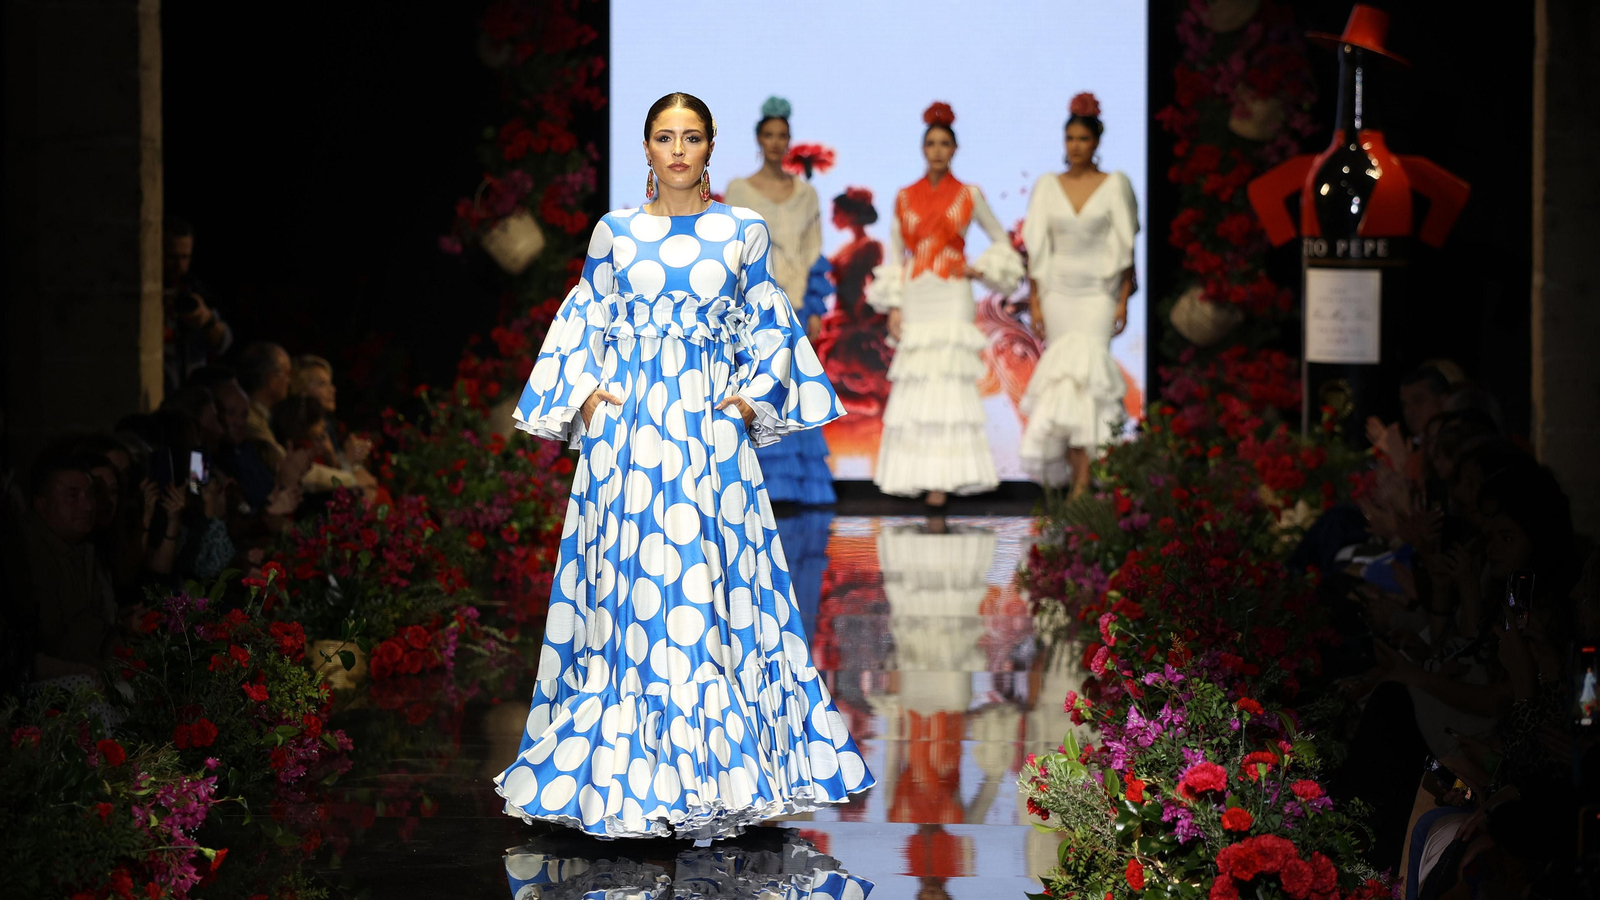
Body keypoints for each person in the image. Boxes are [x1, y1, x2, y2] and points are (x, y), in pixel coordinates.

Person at [494, 92, 873, 841]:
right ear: (644, 148)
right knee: (630, 604)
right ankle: (626, 777)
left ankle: (715, 776)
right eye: (663, 137)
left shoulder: (741, 231)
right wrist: (590, 406)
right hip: (628, 444)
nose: (676, 150)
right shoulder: (616, 234)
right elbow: (583, 322)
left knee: (712, 601)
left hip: (708, 441)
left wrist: (741, 409)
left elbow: (771, 330)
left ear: (709, 147)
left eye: (690, 137)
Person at [868, 102, 1022, 509]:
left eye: (944, 144)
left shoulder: (969, 194)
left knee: (948, 382)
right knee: (920, 383)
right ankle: (919, 475)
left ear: (954, 149)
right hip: (918, 294)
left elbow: (1001, 241)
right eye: (931, 144)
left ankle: (944, 482)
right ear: (924, 149)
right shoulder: (904, 197)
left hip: (953, 294)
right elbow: (894, 253)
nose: (937, 150)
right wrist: (895, 307)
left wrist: (980, 270)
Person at [1018, 93, 1138, 496]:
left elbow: (1125, 247)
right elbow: (1037, 248)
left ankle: (1086, 480)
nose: (1075, 146)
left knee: (1092, 379)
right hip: (1058, 293)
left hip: (1099, 293)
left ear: (1096, 142)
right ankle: (1075, 478)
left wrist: (1122, 298)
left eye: (1082, 138)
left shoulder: (1115, 184)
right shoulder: (1047, 186)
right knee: (1065, 383)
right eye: (1070, 138)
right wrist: (1035, 298)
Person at [723, 96, 836, 507]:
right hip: (754, 307)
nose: (775, 142)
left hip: (797, 306)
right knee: (757, 388)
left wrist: (812, 308)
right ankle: (754, 490)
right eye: (768, 135)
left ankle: (796, 495)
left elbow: (812, 251)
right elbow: (733, 250)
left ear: (789, 141)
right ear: (759, 139)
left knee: (795, 387)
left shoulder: (806, 194)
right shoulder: (738, 190)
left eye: (781, 135)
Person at [163, 218, 233, 392]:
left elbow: (223, 343)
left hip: (192, 388)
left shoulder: (195, 290)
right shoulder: (151, 295)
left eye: (185, 257)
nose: (179, 266)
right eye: (172, 257)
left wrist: (205, 319)